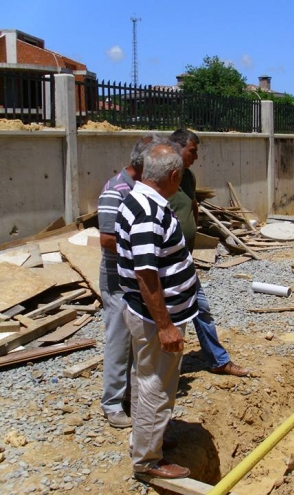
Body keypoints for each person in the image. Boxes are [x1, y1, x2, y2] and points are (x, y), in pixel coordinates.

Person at [116, 142, 196, 479]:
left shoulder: (139, 198)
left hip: (149, 314)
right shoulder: (148, 212)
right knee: (155, 386)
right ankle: (148, 462)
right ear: (174, 175)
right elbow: (146, 272)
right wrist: (165, 325)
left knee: (146, 379)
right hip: (154, 319)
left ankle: (147, 442)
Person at [168, 129, 249, 377]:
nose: (196, 156)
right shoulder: (161, 179)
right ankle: (153, 377)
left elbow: (192, 206)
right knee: (164, 318)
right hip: (165, 264)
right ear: (177, 148)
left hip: (184, 261)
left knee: (200, 308)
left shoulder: (188, 177)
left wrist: (190, 244)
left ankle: (217, 360)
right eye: (193, 151)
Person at [98, 134, 161, 428]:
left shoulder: (140, 188)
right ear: (143, 162)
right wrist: (142, 251)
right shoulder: (116, 190)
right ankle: (112, 403)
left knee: (136, 341)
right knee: (118, 340)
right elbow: (107, 238)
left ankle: (129, 397)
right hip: (118, 280)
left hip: (135, 279)